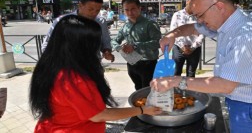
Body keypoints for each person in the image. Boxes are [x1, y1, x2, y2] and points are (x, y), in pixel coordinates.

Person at [150, 0, 252, 133]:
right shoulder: (227, 21)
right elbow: (192, 28)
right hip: (241, 100)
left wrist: (175, 81)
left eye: (200, 15)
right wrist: (172, 34)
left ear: (219, 7)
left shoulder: (247, 35)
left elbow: (225, 84)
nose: (199, 21)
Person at [29, 15, 162, 133]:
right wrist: (143, 110)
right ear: (81, 46)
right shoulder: (73, 79)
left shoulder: (52, 64)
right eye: (95, 42)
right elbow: (99, 115)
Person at [41, 0, 114, 62]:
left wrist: (107, 51)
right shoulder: (62, 21)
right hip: (66, 68)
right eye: (90, 9)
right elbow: (47, 44)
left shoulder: (100, 22)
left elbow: (106, 42)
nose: (94, 13)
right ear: (80, 5)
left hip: (93, 67)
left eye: (97, 10)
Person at [111, 0, 162, 90]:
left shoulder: (150, 24)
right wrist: (119, 48)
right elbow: (114, 41)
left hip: (148, 63)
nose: (130, 12)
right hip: (131, 63)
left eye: (133, 9)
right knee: (137, 89)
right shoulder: (125, 26)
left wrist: (135, 46)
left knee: (147, 91)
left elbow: (158, 43)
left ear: (139, 8)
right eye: (127, 10)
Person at [170, 0, 204, 77]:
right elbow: (173, 31)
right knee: (176, 73)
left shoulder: (200, 16)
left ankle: (188, 89)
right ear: (187, 2)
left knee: (191, 74)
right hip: (178, 48)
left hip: (195, 49)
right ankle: (177, 89)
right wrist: (182, 46)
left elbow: (203, 33)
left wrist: (193, 47)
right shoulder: (177, 15)